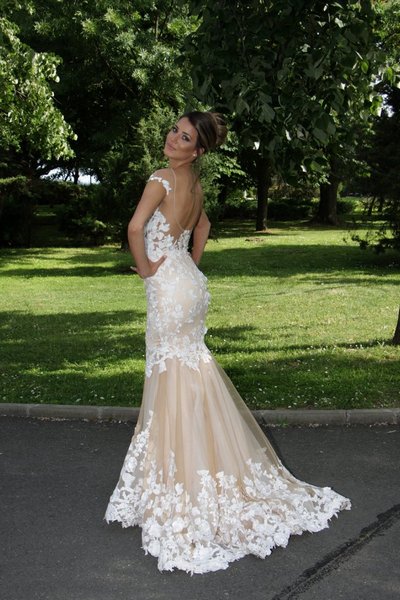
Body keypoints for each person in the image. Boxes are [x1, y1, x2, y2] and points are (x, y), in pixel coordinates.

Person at [104, 111, 351, 574]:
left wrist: (146, 269)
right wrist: (189, 264)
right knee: (190, 374)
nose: (172, 139)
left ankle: (180, 483)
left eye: (184, 138)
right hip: (189, 285)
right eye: (174, 130)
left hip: (169, 289)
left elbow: (135, 229)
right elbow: (202, 227)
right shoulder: (194, 185)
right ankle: (198, 470)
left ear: (197, 150)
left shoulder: (161, 178)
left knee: (170, 377)